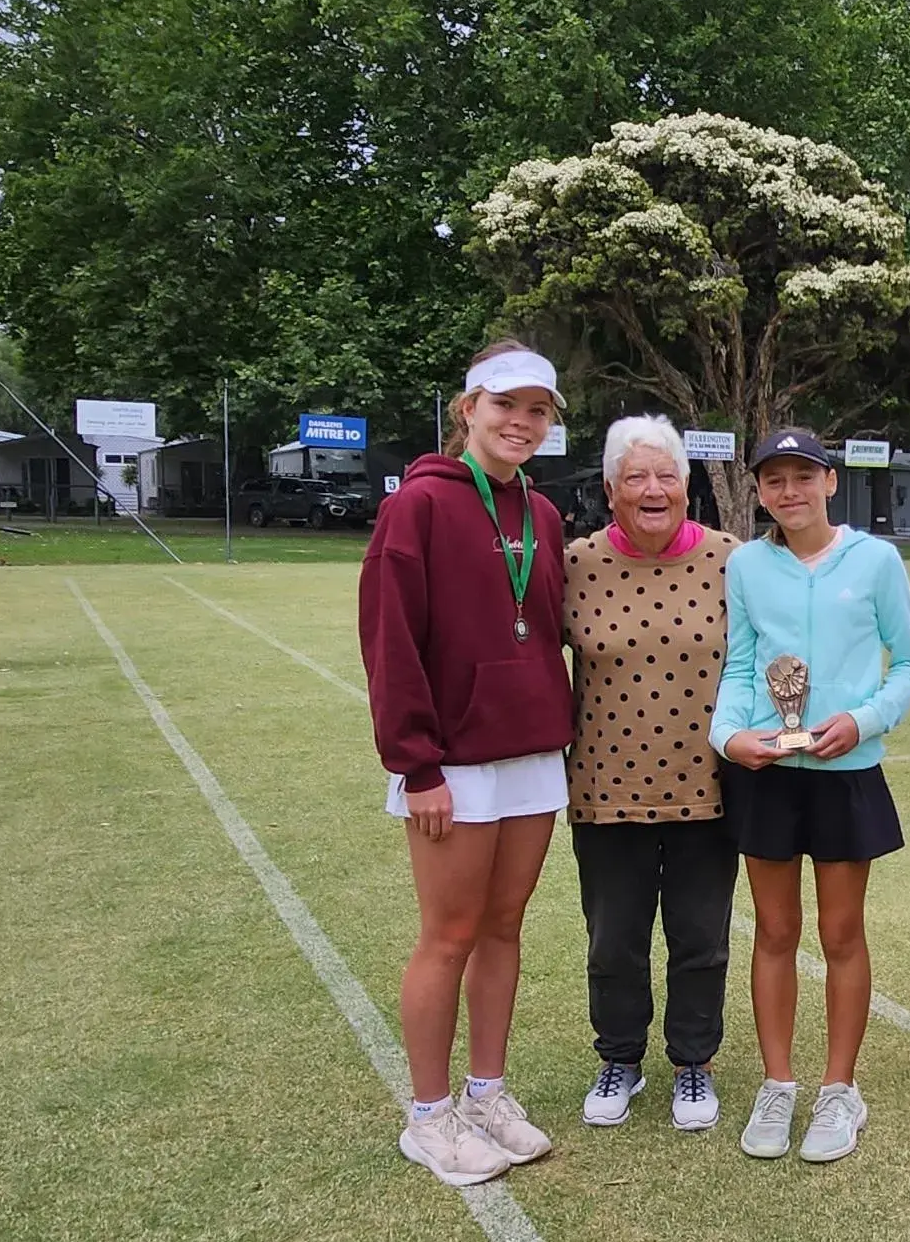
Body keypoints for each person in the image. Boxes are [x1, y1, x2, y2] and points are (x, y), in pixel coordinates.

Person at [359, 341, 573, 1187]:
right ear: (467, 407)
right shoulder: (417, 505)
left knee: (503, 928)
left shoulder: (545, 515)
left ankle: (486, 1093)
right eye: (505, 406)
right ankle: (429, 1115)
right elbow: (390, 640)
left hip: (532, 752)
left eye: (537, 411)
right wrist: (416, 765)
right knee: (447, 935)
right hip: (452, 763)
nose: (520, 423)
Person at [711, 429, 910, 1165]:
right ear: (760, 490)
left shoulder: (875, 560)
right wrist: (729, 734)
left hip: (847, 773)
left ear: (830, 482)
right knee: (773, 932)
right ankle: (778, 1083)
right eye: (774, 479)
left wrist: (862, 720)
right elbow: (741, 662)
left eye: (803, 475)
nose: (789, 491)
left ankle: (840, 1089)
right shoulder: (746, 564)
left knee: (840, 933)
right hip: (767, 772)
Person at [564, 415, 739, 1133]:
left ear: (688, 483)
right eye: (636, 475)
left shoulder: (733, 559)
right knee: (614, 940)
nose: (653, 488)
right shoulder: (576, 562)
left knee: (701, 938)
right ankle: (621, 1057)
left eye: (666, 474)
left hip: (710, 790)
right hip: (605, 792)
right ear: (611, 489)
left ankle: (693, 1063)